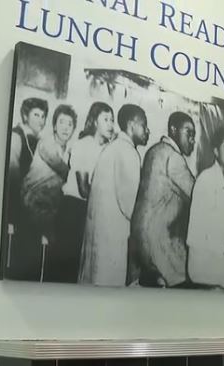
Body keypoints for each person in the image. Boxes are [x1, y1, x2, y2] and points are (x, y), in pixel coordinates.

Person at [79, 104, 150, 287]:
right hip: (112, 242)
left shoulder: (113, 148)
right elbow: (131, 207)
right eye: (144, 125)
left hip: (101, 240)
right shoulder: (128, 152)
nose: (147, 131)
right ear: (131, 124)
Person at [130, 112, 196, 287]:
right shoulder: (173, 158)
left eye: (194, 136)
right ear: (173, 130)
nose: (192, 140)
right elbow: (197, 195)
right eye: (188, 133)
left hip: (141, 240)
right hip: (159, 242)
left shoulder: (154, 150)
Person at [51, 102, 114, 283]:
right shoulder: (83, 145)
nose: (110, 124)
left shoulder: (106, 149)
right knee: (64, 270)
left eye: (112, 120)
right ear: (95, 122)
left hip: (90, 212)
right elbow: (84, 189)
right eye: (106, 119)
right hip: (73, 210)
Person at [18, 105, 76, 280]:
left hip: (49, 209)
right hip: (30, 203)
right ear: (54, 125)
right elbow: (63, 169)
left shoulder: (68, 151)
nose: (66, 127)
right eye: (62, 123)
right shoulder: (46, 143)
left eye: (70, 124)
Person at [186, 127, 224, 291]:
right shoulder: (205, 180)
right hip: (205, 262)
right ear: (216, 151)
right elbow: (204, 235)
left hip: (222, 258)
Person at [4, 97, 48, 280]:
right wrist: (11, 217)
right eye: (36, 114)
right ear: (25, 115)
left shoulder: (38, 141)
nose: (41, 119)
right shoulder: (16, 137)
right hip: (18, 212)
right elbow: (12, 180)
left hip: (31, 212)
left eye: (43, 116)